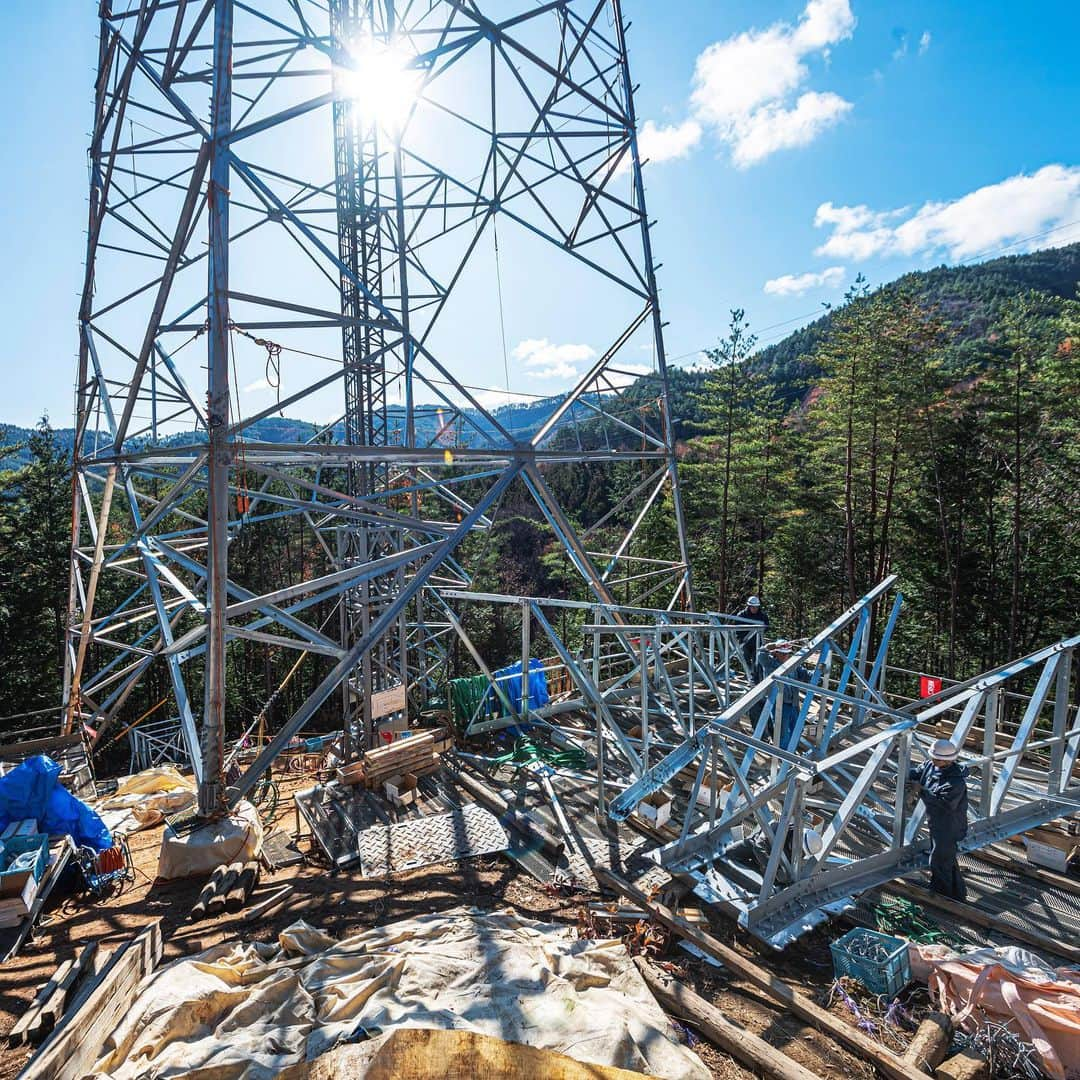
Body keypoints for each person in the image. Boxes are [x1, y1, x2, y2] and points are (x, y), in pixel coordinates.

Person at [909, 739, 969, 900]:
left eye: (937, 759)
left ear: (949, 760)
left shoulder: (956, 782)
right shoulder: (932, 765)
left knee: (939, 860)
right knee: (946, 859)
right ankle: (958, 894)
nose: (934, 761)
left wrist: (921, 790)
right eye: (933, 758)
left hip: (950, 826)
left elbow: (944, 803)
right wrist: (905, 775)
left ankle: (943, 896)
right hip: (937, 822)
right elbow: (919, 771)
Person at [756, 640, 811, 749]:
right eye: (782, 653)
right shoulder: (770, 664)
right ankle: (784, 756)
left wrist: (820, 670)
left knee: (797, 729)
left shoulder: (792, 665)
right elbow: (761, 654)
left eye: (787, 653)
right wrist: (771, 645)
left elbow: (806, 675)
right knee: (782, 733)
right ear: (776, 653)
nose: (785, 656)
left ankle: (791, 751)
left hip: (793, 703)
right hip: (779, 704)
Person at [735, 594, 769, 677]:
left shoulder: (762, 616)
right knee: (745, 660)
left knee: (757, 660)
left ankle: (755, 677)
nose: (755, 609)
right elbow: (737, 629)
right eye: (753, 607)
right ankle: (748, 676)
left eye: (756, 607)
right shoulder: (741, 615)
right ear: (749, 606)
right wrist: (744, 637)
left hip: (757, 642)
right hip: (745, 642)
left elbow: (767, 627)